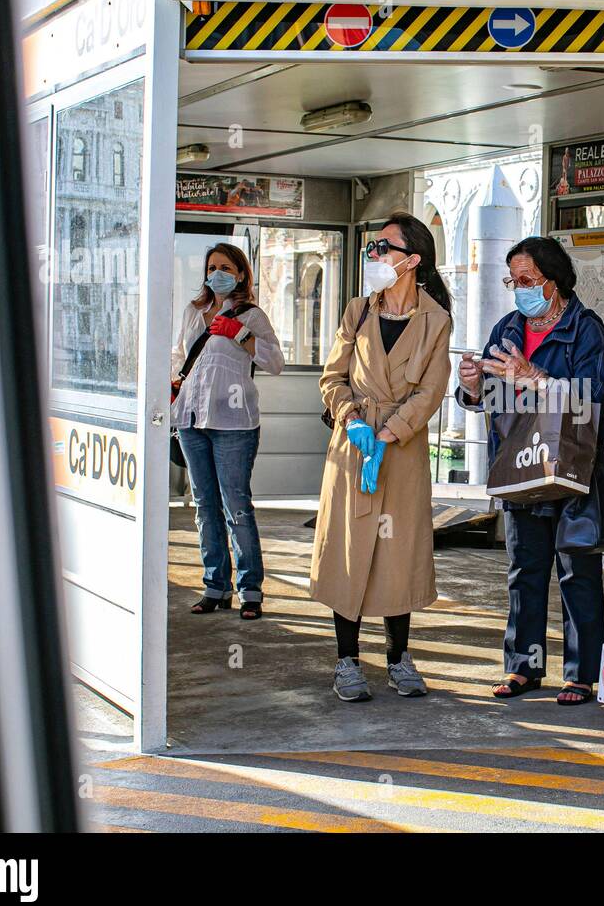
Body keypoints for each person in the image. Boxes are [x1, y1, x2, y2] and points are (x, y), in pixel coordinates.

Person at [456, 236, 604, 705]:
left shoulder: (586, 330)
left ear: (554, 282)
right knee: (524, 569)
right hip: (520, 468)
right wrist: (471, 387)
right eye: (513, 280)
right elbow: (487, 398)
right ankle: (522, 668)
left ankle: (582, 674)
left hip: (572, 470)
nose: (519, 289)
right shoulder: (507, 327)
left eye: (527, 280)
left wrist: (539, 380)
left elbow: (595, 397)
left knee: (577, 571)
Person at [309, 212, 453, 702]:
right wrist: (352, 421)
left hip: (403, 450)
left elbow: (432, 391)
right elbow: (333, 377)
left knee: (399, 554)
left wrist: (388, 436)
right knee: (348, 552)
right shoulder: (357, 311)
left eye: (383, 247)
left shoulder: (437, 320)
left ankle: (398, 659)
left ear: (411, 260)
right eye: (372, 247)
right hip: (352, 449)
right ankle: (346, 661)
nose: (373, 255)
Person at [172, 242, 285, 619]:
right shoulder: (193, 312)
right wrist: (171, 382)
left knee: (236, 506)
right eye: (211, 266)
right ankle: (214, 586)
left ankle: (250, 590)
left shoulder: (251, 315)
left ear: (239, 274)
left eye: (224, 266)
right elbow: (179, 356)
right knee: (205, 507)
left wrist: (239, 333)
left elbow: (275, 362)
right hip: (191, 419)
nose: (216, 272)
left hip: (234, 423)